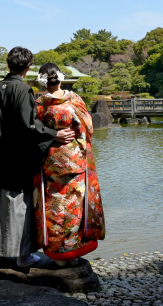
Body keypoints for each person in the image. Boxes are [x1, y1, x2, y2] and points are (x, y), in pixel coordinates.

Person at [0, 47, 75, 267]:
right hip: (15, 159)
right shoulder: (23, 90)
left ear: (8, 64)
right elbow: (28, 125)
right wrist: (54, 135)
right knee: (18, 206)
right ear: (28, 67)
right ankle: (22, 256)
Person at [33, 62, 105, 264]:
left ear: (42, 81)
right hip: (75, 162)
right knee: (74, 207)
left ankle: (58, 254)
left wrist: (54, 137)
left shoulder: (40, 105)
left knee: (55, 206)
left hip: (52, 163)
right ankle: (73, 250)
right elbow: (88, 128)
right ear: (61, 78)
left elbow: (34, 133)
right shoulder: (76, 100)